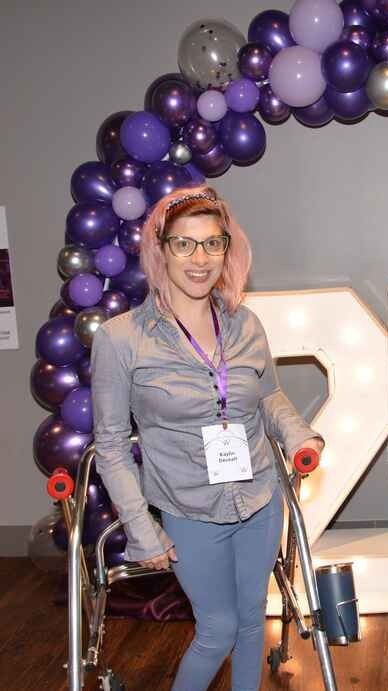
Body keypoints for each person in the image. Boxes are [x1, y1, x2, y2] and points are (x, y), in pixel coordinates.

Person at [91, 184, 324, 691]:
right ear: (160, 248)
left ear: (228, 248)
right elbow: (110, 446)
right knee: (217, 629)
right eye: (184, 244)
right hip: (189, 509)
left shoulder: (245, 324)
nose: (200, 259)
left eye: (213, 243)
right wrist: (140, 527)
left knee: (248, 624)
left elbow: (268, 397)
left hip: (260, 497)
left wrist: (302, 436)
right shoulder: (120, 338)